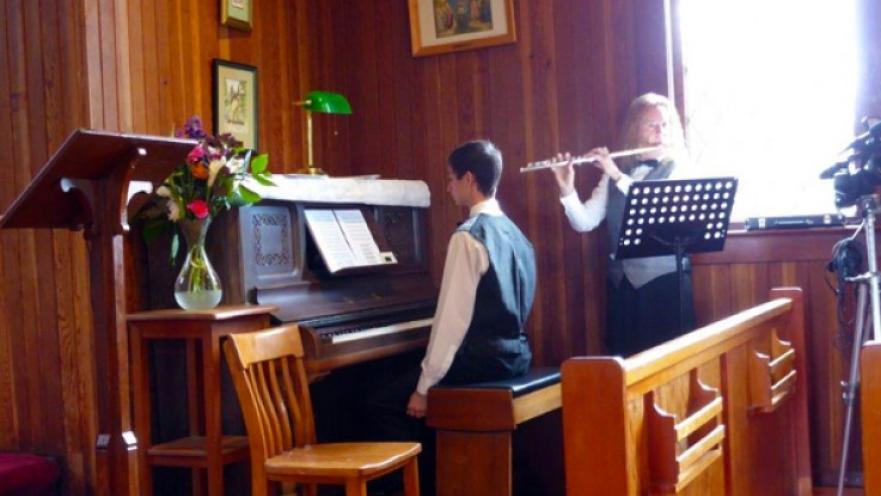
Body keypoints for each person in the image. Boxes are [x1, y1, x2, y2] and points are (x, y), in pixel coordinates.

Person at [366, 140, 536, 489]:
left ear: (469, 179)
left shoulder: (468, 237)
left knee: (381, 404)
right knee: (401, 383)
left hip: (480, 360)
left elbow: (452, 323)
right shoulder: (516, 233)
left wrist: (425, 389)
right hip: (515, 355)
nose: (448, 186)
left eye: (451, 178)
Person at [551, 92, 695, 356]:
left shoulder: (679, 168)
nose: (659, 131)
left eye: (665, 125)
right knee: (627, 366)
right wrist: (567, 188)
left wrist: (614, 173)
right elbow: (585, 222)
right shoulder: (616, 175)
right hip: (623, 288)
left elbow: (654, 204)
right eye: (651, 124)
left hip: (664, 285)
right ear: (634, 128)